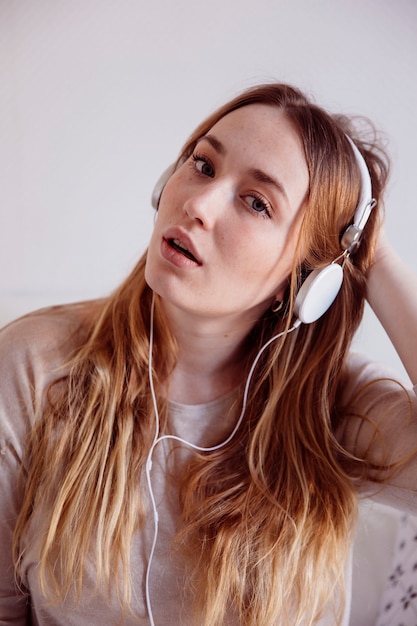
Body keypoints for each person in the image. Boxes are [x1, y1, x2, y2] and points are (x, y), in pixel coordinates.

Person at [0, 83, 416, 626]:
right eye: (202, 164)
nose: (196, 204)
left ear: (310, 277)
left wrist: (373, 254)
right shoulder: (34, 365)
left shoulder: (332, 407)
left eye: (257, 202)